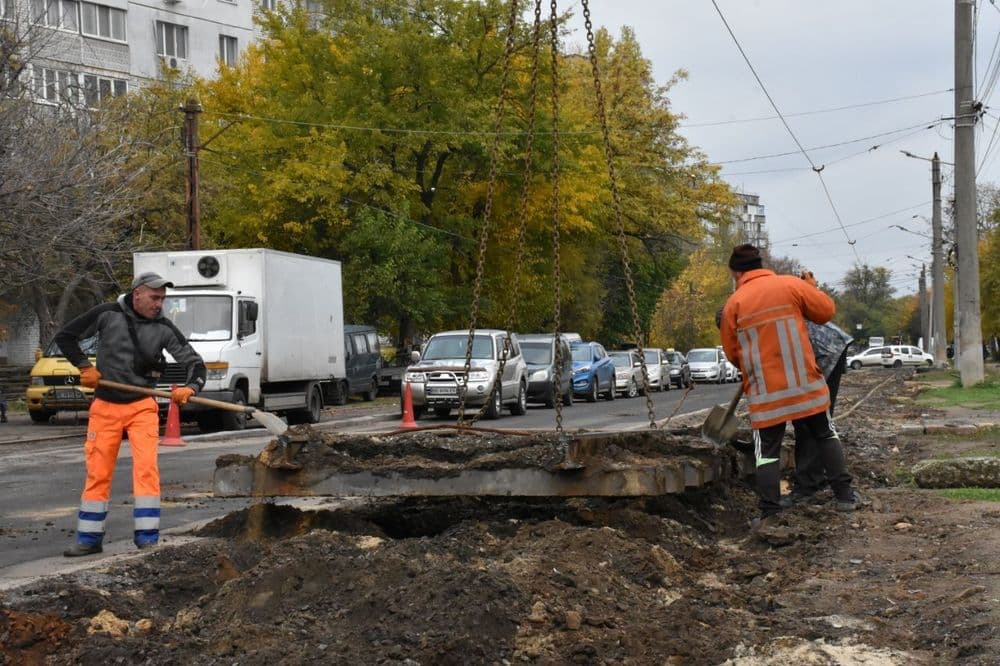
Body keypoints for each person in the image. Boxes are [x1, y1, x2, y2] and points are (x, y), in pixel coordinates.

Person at [55, 272, 206, 557]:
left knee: (146, 470)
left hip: (142, 406)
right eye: (154, 298)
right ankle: (88, 539)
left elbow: (196, 365)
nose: (159, 304)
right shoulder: (107, 314)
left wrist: (190, 388)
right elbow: (65, 337)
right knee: (98, 472)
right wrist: (84, 367)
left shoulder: (163, 328)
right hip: (105, 407)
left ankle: (147, 539)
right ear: (137, 294)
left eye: (162, 299)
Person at [719, 245, 859, 521]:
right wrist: (812, 289)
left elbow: (733, 353)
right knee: (825, 434)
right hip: (806, 386)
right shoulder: (791, 286)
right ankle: (845, 497)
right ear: (761, 264)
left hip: (765, 394)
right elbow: (826, 312)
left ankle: (770, 511)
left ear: (736, 272)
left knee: (767, 452)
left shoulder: (734, 304)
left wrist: (755, 368)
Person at [781, 270, 855, 508]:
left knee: (811, 420)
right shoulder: (764, 298)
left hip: (824, 351)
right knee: (808, 421)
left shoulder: (757, 310)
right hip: (822, 349)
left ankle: (810, 485)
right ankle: (817, 481)